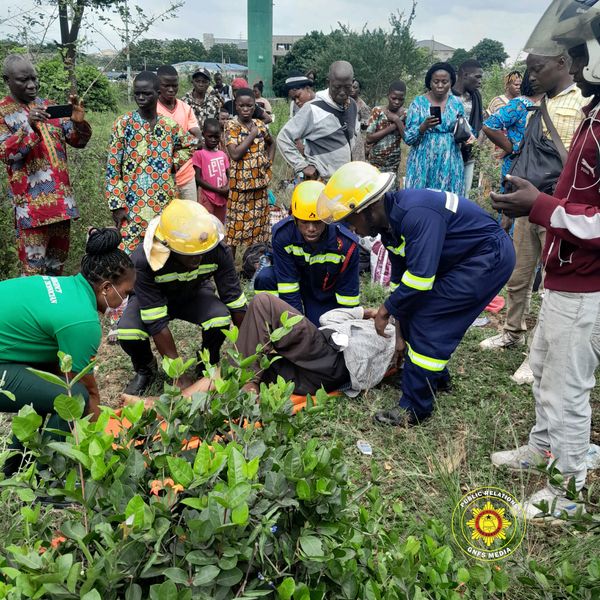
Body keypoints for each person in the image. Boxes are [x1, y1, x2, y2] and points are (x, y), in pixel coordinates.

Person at [489, 0, 600, 521]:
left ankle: (568, 487)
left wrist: (542, 206)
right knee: (544, 365)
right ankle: (542, 446)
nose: (574, 62)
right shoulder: (594, 115)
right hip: (565, 274)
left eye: (579, 52)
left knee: (566, 386)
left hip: (588, 281)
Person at [316, 161, 515, 425]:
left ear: (368, 209)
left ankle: (414, 408)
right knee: (413, 313)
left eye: (350, 221)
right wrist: (399, 334)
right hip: (457, 259)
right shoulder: (389, 226)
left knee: (430, 319)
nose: (351, 229)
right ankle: (434, 378)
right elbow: (402, 284)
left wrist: (385, 311)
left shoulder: (415, 214)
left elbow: (421, 279)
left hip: (486, 257)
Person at [479, 51, 586, 384]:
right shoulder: (534, 104)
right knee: (520, 272)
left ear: (562, 64)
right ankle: (513, 331)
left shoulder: (584, 100)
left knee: (550, 283)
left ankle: (536, 355)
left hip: (558, 204)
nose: (531, 76)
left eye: (537, 69)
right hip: (528, 201)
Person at [0, 228, 135, 442]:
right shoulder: (83, 321)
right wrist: (105, 443)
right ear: (107, 288)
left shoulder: (67, 288)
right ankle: (53, 467)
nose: (128, 299)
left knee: (48, 388)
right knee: (73, 397)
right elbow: (88, 393)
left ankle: (20, 468)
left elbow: (57, 371)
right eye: (128, 293)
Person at [117, 199, 247, 395]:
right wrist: (178, 375)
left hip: (194, 294)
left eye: (202, 252)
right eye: (190, 253)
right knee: (128, 332)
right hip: (153, 299)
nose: (198, 258)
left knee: (219, 317)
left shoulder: (217, 250)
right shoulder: (145, 259)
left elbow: (235, 301)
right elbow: (156, 321)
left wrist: (250, 353)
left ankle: (208, 361)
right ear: (170, 246)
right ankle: (146, 368)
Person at [0, 54, 92, 276]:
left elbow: (76, 140)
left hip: (62, 207)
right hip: (32, 212)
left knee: (55, 272)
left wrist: (78, 122)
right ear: (7, 80)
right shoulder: (3, 112)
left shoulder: (47, 106)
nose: (32, 85)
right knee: (33, 275)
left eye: (34, 78)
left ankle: (53, 312)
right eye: (24, 80)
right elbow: (5, 153)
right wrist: (29, 127)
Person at [106, 71, 197, 254]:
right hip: (132, 203)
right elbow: (112, 169)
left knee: (162, 251)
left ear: (157, 93)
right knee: (130, 255)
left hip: (164, 200)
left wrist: (171, 164)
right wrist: (116, 205)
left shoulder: (169, 126)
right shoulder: (123, 124)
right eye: (137, 93)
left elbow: (190, 145)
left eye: (146, 93)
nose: (140, 97)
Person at [238, 293, 396, 397]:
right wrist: (364, 313)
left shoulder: (392, 335)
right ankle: (246, 387)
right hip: (318, 374)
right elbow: (326, 318)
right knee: (265, 367)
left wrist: (399, 335)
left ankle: (248, 381)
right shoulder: (372, 322)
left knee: (264, 303)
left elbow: (374, 360)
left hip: (331, 356)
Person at [254, 180, 360, 325]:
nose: (311, 229)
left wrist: (344, 324)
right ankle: (269, 325)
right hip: (295, 282)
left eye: (317, 222)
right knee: (265, 277)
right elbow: (288, 286)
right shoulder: (283, 236)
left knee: (321, 330)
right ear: (295, 219)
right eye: (304, 222)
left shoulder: (346, 244)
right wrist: (297, 327)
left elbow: (348, 296)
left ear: (327, 218)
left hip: (323, 294)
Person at [277, 60, 359, 182]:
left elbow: (356, 138)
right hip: (323, 183)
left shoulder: (352, 105)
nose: (342, 92)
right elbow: (283, 138)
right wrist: (302, 166)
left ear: (352, 84)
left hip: (347, 180)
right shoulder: (312, 109)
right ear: (328, 82)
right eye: (337, 87)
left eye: (347, 87)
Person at [404, 62, 470, 195]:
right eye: (436, 81)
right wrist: (423, 127)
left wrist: (463, 132)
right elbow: (408, 138)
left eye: (444, 82)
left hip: (450, 160)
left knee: (447, 201)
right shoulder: (418, 103)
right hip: (422, 162)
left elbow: (465, 128)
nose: (440, 85)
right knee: (420, 200)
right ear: (429, 82)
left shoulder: (456, 103)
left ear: (451, 82)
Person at [224, 88, 275, 257]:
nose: (245, 109)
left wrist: (269, 163)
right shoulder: (231, 126)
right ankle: (230, 269)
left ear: (255, 108)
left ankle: (252, 264)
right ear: (236, 106)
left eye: (249, 106)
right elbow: (235, 154)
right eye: (242, 106)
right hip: (240, 186)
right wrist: (252, 135)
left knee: (257, 228)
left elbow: (271, 143)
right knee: (233, 230)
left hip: (259, 185)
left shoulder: (260, 125)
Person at [482, 71, 542, 196]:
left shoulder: (551, 102)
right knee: (512, 205)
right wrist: (511, 148)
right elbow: (489, 126)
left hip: (541, 165)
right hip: (518, 165)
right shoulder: (520, 104)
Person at [156, 65, 201, 202]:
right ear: (158, 85)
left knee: (190, 217)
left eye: (174, 86)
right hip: (161, 177)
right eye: (166, 86)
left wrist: (175, 144)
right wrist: (185, 142)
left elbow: (197, 137)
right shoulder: (152, 110)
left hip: (187, 176)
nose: (171, 90)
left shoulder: (185, 108)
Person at [452, 59, 485, 195]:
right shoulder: (447, 95)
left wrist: (477, 143)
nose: (480, 81)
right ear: (465, 75)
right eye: (477, 77)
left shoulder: (475, 96)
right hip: (450, 154)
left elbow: (480, 125)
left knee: (464, 196)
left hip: (469, 155)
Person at [366, 80, 407, 182]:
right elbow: (369, 138)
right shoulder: (378, 111)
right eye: (393, 98)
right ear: (388, 95)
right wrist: (392, 127)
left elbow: (407, 138)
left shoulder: (405, 114)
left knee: (391, 192)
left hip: (393, 163)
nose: (397, 102)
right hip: (375, 161)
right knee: (374, 190)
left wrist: (397, 120)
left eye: (401, 99)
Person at [193, 118, 230, 224]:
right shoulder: (199, 154)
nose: (213, 140)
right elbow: (198, 179)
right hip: (207, 196)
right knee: (206, 223)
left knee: (219, 223)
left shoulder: (222, 154)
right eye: (210, 136)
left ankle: (219, 240)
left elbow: (228, 173)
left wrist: (227, 187)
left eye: (216, 137)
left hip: (222, 196)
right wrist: (218, 190)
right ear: (204, 134)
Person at [182, 67, 223, 133]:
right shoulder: (184, 102)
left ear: (209, 83)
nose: (201, 84)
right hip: (190, 141)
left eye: (204, 82)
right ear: (192, 81)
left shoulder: (215, 101)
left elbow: (218, 123)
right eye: (198, 81)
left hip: (210, 141)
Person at [349, 78, 371, 161]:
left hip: (357, 139)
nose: (352, 89)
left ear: (359, 90)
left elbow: (366, 127)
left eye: (355, 87)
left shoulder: (363, 106)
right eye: (351, 87)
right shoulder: (343, 101)